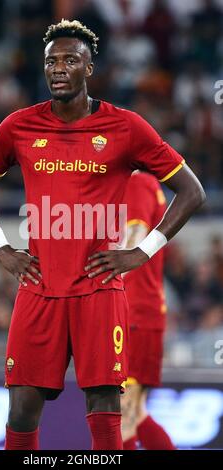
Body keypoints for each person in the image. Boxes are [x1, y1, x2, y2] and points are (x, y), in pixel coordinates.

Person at [0, 19, 205, 450]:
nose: (58, 68)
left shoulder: (126, 127)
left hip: (99, 290)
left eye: (70, 60)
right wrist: (1, 247)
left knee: (107, 408)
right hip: (38, 288)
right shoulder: (19, 126)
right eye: (51, 61)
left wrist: (143, 251)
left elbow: (192, 191)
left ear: (89, 68)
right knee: (20, 408)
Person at [120, 171, 176, 450]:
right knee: (134, 410)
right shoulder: (146, 183)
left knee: (124, 409)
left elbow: (135, 234)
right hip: (143, 310)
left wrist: (104, 272)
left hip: (136, 312)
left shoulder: (136, 182)